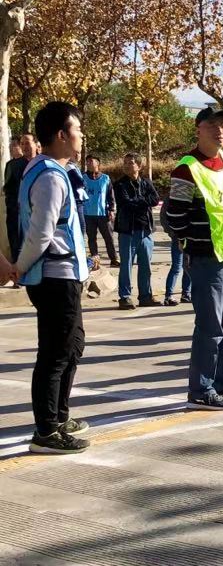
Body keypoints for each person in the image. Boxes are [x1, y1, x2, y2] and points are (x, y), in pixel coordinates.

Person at [13, 102, 91, 454]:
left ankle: (59, 417)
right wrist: (19, 267)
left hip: (64, 275)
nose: (81, 136)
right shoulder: (49, 177)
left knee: (72, 346)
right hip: (54, 277)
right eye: (77, 130)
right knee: (56, 354)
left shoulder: (52, 170)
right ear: (61, 134)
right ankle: (46, 431)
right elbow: (41, 234)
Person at [167, 106, 223, 410]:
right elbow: (174, 217)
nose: (220, 130)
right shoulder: (186, 168)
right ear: (198, 130)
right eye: (213, 125)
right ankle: (200, 390)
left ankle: (221, 381)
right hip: (206, 258)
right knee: (210, 326)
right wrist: (191, 243)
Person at [114, 152, 160, 309]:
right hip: (128, 231)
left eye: (131, 162)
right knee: (126, 265)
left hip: (146, 230)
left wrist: (139, 201)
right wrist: (143, 201)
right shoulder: (120, 184)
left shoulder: (146, 182)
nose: (127, 165)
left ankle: (145, 296)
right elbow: (126, 203)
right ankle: (125, 297)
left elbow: (155, 199)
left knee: (145, 265)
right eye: (125, 163)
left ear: (139, 166)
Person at [4, 132, 37, 262]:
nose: (24, 146)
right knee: (18, 247)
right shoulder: (13, 166)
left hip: (39, 213)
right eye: (22, 144)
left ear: (36, 144)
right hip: (18, 215)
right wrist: (16, 206)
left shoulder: (44, 163)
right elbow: (8, 190)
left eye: (27, 143)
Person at [82, 155, 119, 267]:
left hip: (103, 214)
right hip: (88, 213)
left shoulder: (105, 178)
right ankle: (95, 261)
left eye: (91, 161)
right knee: (91, 238)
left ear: (97, 163)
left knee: (109, 237)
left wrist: (111, 209)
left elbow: (110, 195)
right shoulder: (82, 177)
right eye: (87, 161)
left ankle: (114, 259)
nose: (88, 163)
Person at [160, 196, 191, 306]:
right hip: (177, 237)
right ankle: (168, 296)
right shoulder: (171, 198)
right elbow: (163, 218)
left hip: (190, 237)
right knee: (176, 267)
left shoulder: (191, 196)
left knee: (189, 266)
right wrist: (173, 233)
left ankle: (186, 294)